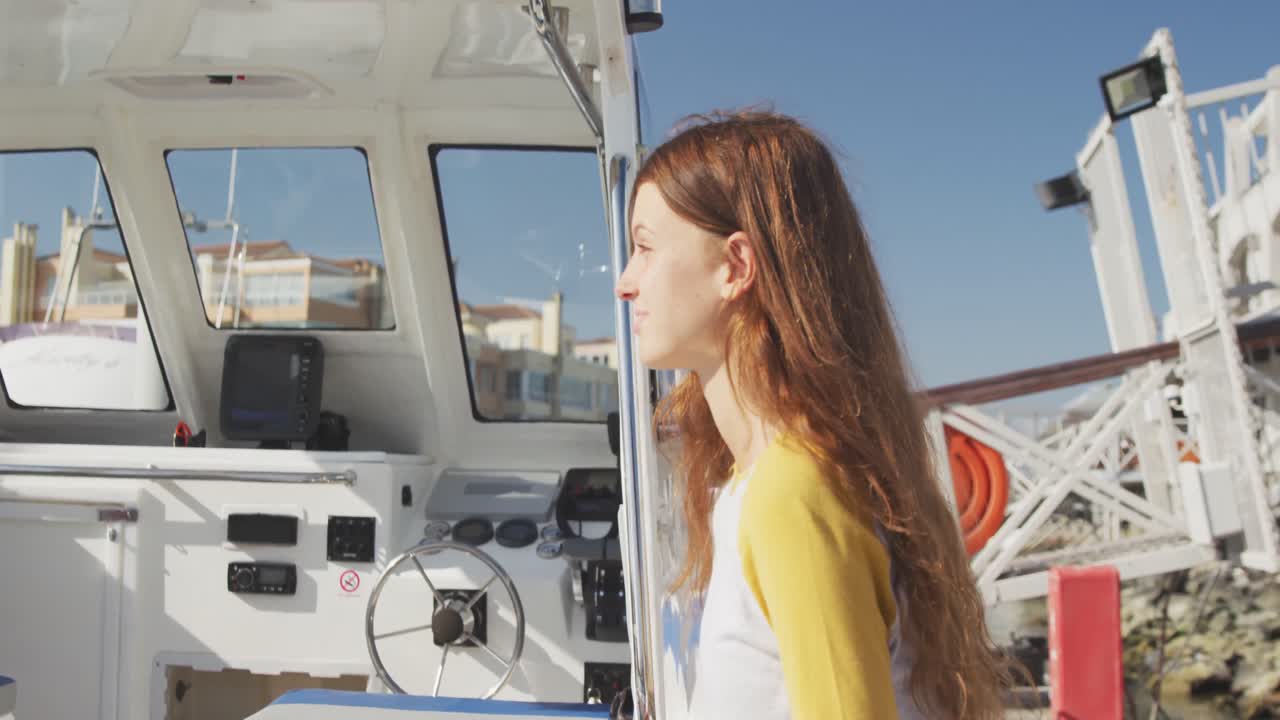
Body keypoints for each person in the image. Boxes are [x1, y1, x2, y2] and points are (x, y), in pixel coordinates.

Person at [614, 110, 1017, 719]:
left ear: (736, 267)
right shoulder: (765, 483)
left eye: (644, 248)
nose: (626, 282)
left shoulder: (792, 492)